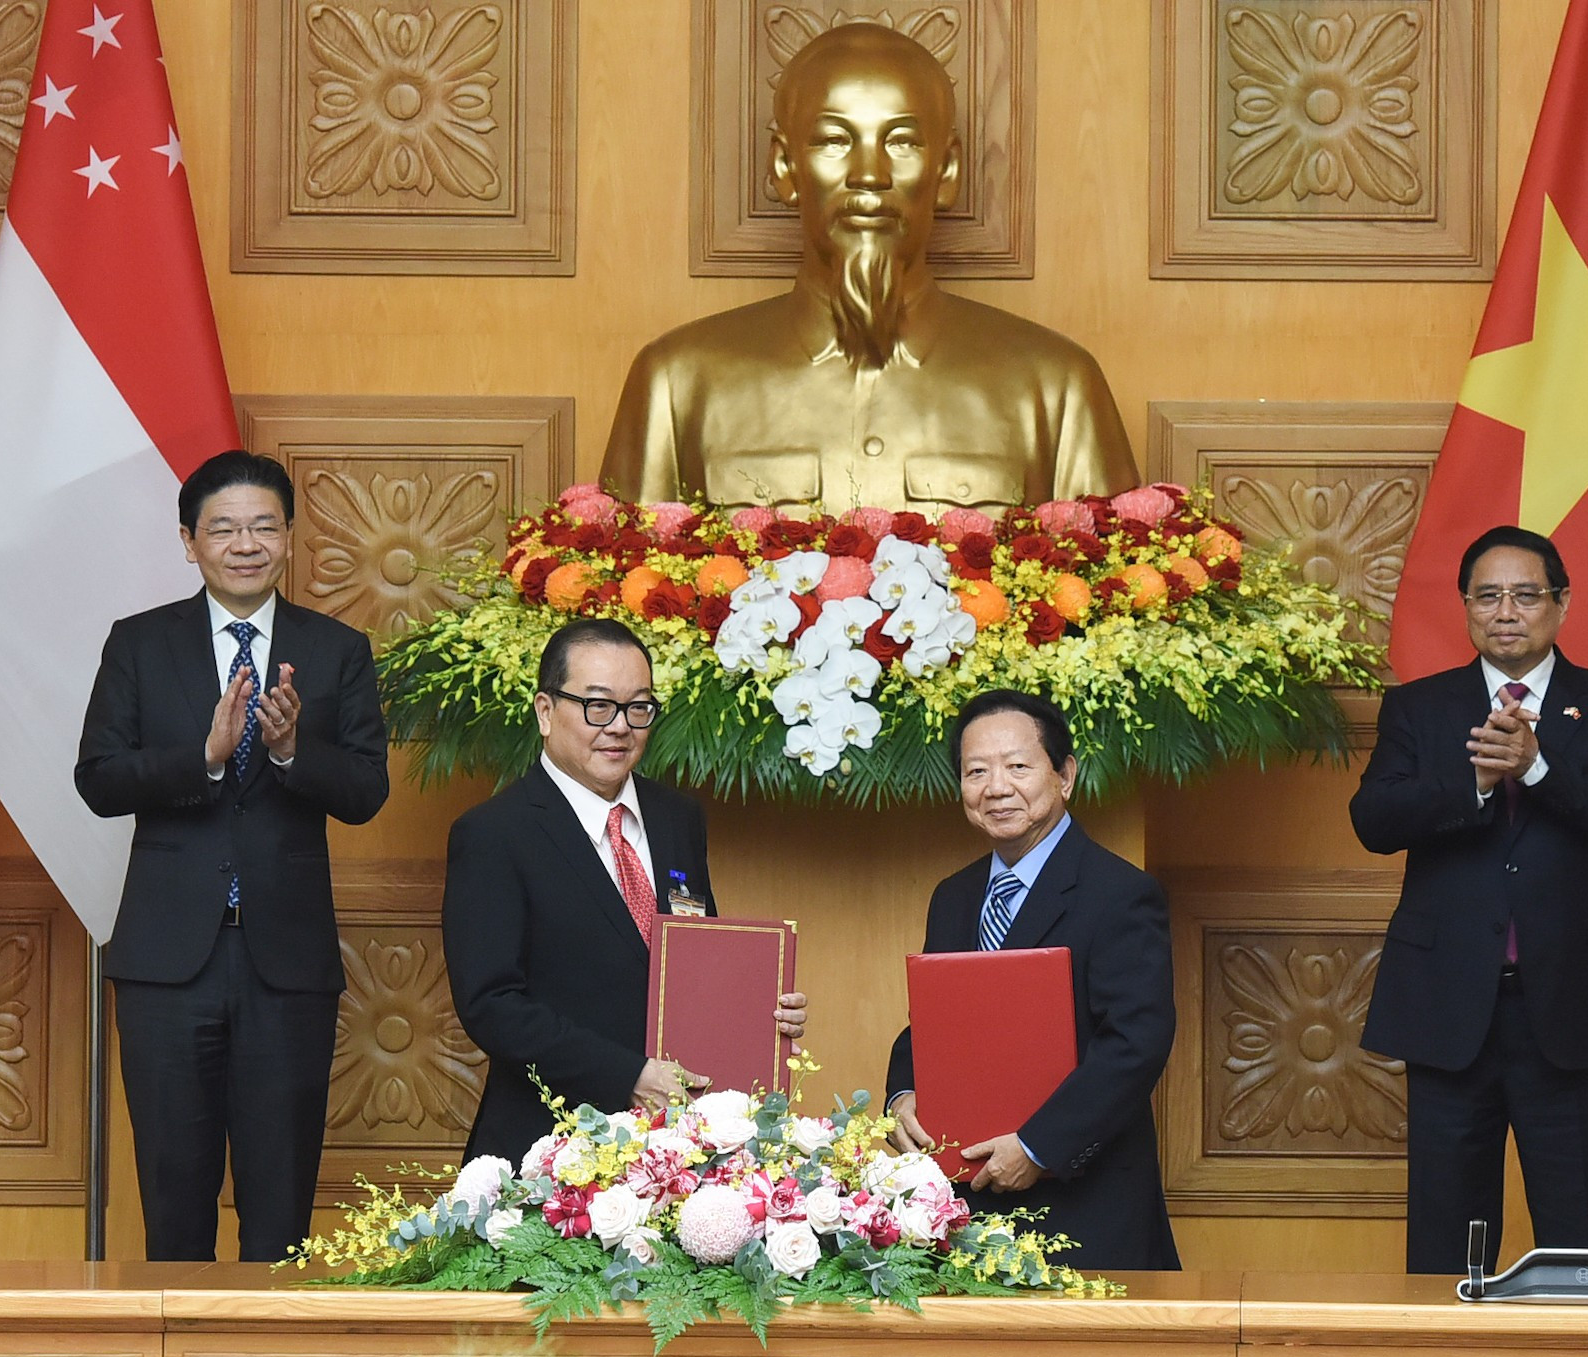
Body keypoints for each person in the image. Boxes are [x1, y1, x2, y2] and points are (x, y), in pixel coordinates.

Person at [600, 22, 1137, 516]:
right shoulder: (676, 383)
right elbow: (618, 601)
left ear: (945, 171)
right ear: (785, 167)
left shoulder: (1056, 387)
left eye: (901, 141)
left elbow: (1118, 608)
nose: (869, 174)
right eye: (834, 140)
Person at [75, 451, 389, 1261]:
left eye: (262, 525)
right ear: (189, 541)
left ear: (289, 536)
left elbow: (365, 790)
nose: (244, 543)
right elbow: (99, 778)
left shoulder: (338, 649)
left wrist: (290, 751)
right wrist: (204, 755)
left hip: (286, 964)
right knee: (174, 1201)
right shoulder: (139, 643)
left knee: (280, 1208)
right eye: (223, 527)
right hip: (165, 964)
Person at [1351, 525, 1588, 1274]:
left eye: (1526, 595)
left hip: (1580, 1012)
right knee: (1446, 1247)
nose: (1506, 611)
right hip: (1451, 1008)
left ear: (1560, 604)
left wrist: (1540, 768)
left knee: (1583, 1242)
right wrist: (1476, 783)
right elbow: (1374, 821)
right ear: (1465, 607)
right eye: (1487, 595)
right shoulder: (1418, 708)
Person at [442, 617, 808, 1161]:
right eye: (597, 706)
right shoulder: (494, 833)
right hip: (551, 1145)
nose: (619, 727)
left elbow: (695, 960)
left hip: (676, 1146)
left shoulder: (677, 818)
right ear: (546, 712)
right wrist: (626, 1075)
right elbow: (492, 1006)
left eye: (638, 708)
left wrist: (761, 1010)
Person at [885, 690, 1178, 1270]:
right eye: (976, 771)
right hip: (967, 1204)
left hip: (1085, 1205)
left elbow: (1135, 1044)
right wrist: (903, 1095)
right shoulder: (954, 896)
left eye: (1018, 766)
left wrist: (1039, 1146)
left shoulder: (1120, 893)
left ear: (1064, 775)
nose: (996, 787)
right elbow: (934, 1023)